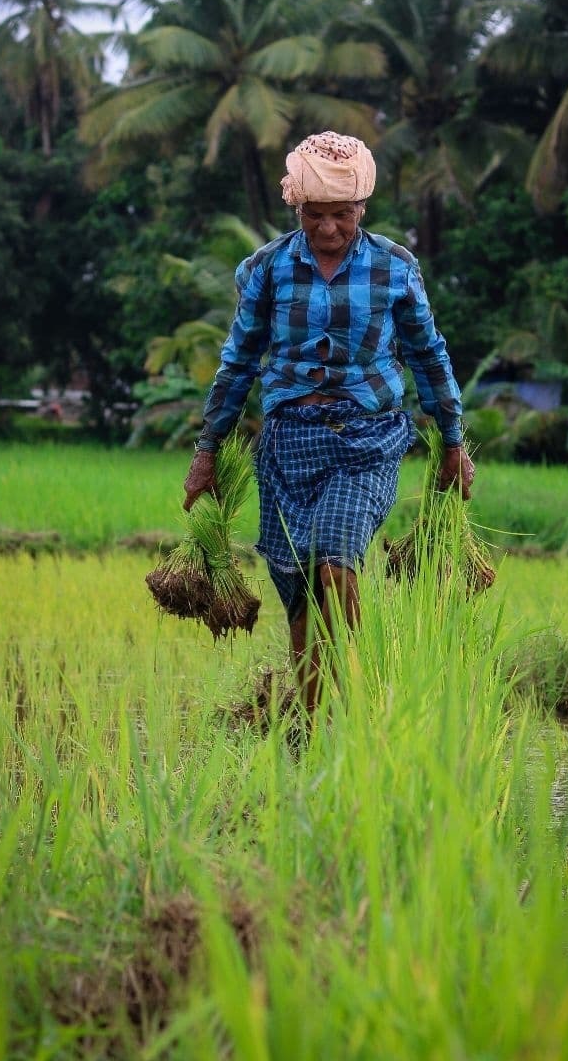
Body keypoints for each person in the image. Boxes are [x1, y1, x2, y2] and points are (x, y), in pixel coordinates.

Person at [183, 130, 474, 712]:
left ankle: (356, 704)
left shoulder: (395, 268)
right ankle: (311, 723)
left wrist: (452, 441)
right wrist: (207, 450)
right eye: (315, 215)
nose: (328, 229)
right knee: (298, 593)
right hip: (288, 444)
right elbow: (238, 362)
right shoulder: (265, 270)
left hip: (367, 440)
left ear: (361, 209)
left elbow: (428, 354)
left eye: (341, 215)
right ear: (297, 207)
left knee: (335, 560)